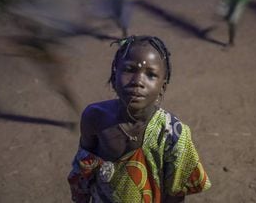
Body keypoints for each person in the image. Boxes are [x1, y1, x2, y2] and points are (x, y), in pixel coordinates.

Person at [68, 35, 211, 202]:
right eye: (129, 69)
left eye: (150, 75)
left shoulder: (173, 134)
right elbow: (83, 168)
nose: (138, 81)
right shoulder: (95, 117)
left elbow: (176, 194)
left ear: (162, 87)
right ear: (114, 78)